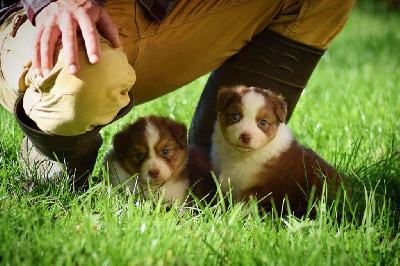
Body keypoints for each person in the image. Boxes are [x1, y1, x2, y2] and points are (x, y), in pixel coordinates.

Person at [0, 0, 356, 189]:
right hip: (45, 15)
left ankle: (206, 170)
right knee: (83, 83)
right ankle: (56, 143)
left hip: (161, 9)